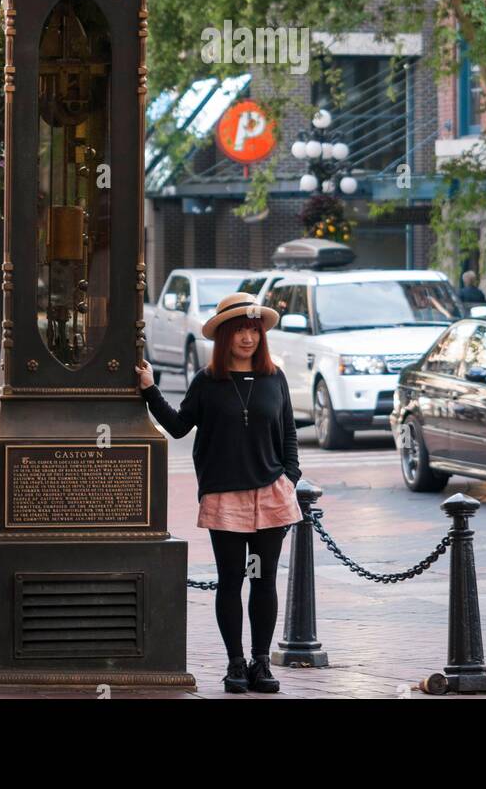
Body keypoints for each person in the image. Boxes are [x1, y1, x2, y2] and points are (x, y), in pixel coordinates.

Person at [135, 291, 302, 695]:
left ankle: (261, 663)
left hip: (270, 495)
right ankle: (235, 665)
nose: (248, 338)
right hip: (224, 497)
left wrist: (290, 477)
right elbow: (177, 426)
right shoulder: (208, 382)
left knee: (262, 580)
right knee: (231, 581)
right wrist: (149, 389)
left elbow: (289, 433)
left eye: (254, 330)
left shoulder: (273, 377)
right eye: (240, 330)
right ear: (224, 336)